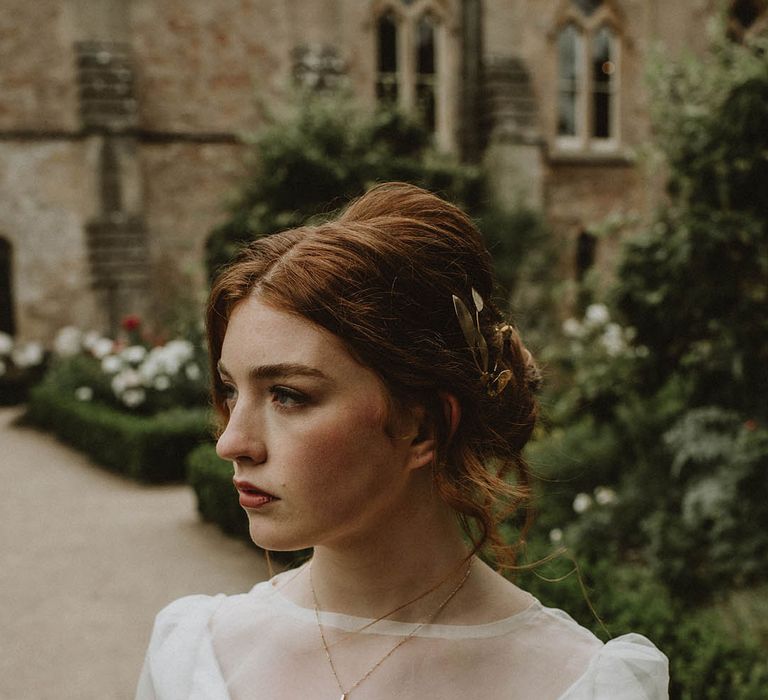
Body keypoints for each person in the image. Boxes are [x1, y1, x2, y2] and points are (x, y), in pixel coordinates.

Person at [136, 182, 668, 699]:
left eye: (288, 395)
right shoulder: (195, 655)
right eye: (230, 389)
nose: (231, 442)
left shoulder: (580, 683)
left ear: (424, 426)